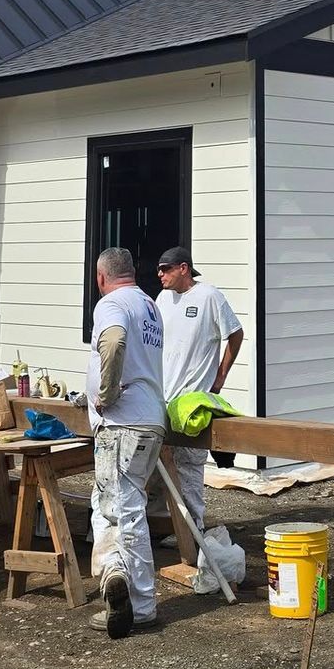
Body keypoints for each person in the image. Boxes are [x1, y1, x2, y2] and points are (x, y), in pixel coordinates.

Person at [84, 247, 167, 638]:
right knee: (125, 507)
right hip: (151, 419)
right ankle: (123, 583)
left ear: (102, 277)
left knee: (119, 511)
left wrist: (107, 392)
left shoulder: (112, 303)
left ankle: (135, 598)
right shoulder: (149, 305)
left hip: (123, 423)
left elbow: (114, 342)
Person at [155, 246, 243, 537]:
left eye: (165, 268)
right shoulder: (162, 299)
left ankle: (194, 532)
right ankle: (168, 526)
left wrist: (220, 377)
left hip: (192, 399)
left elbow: (236, 333)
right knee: (158, 466)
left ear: (183, 268)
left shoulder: (209, 296)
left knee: (189, 468)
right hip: (162, 397)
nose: (160, 274)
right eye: (159, 269)